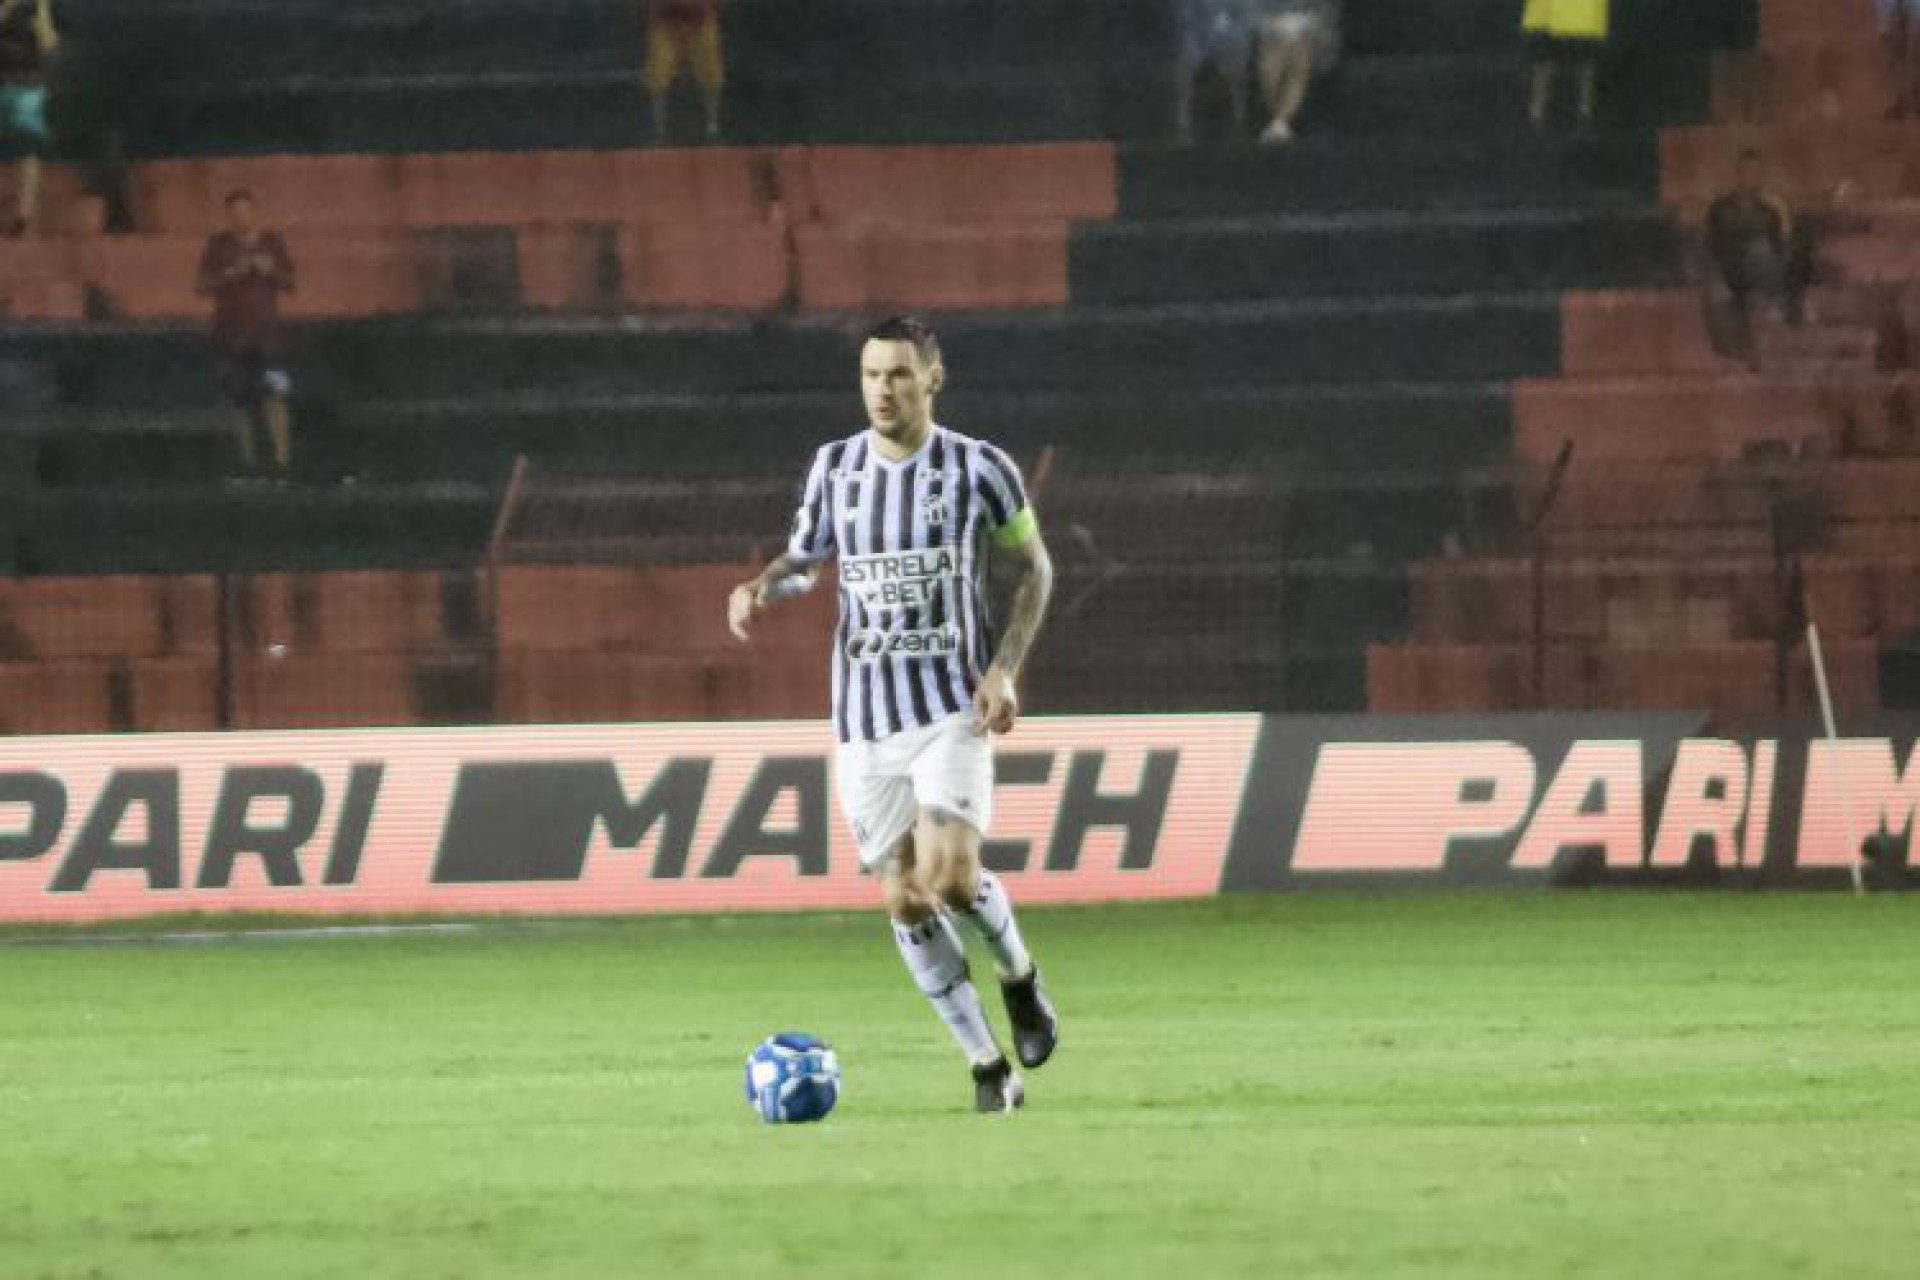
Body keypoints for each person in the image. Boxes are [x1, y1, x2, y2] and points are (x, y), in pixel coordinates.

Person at [727, 315, 1060, 1114]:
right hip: (865, 717)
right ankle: (986, 1067)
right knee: (904, 897)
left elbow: (1035, 568)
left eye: (900, 374)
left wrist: (1005, 669)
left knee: (950, 876)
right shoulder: (835, 468)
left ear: (932, 380)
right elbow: (807, 561)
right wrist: (760, 586)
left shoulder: (981, 468)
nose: (883, 389)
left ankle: (1020, 978)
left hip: (950, 705)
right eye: (872, 374)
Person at [195, 189, 297, 480]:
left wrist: (270, 269)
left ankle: (282, 460)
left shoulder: (272, 242)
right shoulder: (217, 245)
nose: (241, 218)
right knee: (237, 400)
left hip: (269, 338)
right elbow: (201, 285)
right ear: (228, 216)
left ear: (255, 213)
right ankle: (246, 460)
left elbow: (290, 282)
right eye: (235, 213)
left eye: (246, 211)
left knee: (276, 396)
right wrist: (231, 273)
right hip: (230, 335)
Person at [1702, 150, 1807, 366]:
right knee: (1717, 295)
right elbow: (1711, 246)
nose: (1751, 176)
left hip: (1760, 272)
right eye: (1746, 171)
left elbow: (1778, 250)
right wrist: (1717, 276)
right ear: (1738, 174)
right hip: (1729, 270)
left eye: (1756, 172)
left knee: (1763, 254)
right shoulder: (1719, 209)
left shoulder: (1770, 212)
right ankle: (1735, 352)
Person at [0, 0, 57, 237]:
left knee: (26, 149)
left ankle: (22, 216)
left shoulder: (34, 4)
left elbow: (48, 42)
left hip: (24, 83)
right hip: (14, 80)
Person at [1254, 0, 1340, 144]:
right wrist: (1272, 24)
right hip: (1272, 33)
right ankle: (1278, 120)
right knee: (1270, 70)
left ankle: (1280, 122)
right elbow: (1251, 11)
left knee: (1299, 62)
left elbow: (1327, 11)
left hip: (1308, 33)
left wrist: (1305, 25)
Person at [1174, 0, 1255, 143]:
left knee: (1236, 67)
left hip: (1231, 39)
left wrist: (1229, 40)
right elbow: (1185, 20)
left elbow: (1246, 20)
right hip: (1197, 37)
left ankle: (1239, 124)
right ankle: (1183, 126)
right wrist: (1205, 36)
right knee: (1184, 69)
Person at [643, 0, 724, 141]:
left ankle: (713, 124)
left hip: (701, 23)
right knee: (658, 75)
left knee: (710, 75)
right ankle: (658, 128)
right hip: (664, 24)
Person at [1522, 0, 1608, 128]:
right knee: (1545, 54)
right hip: (1549, 11)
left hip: (1584, 10)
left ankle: (1584, 109)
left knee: (1584, 57)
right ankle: (1537, 108)